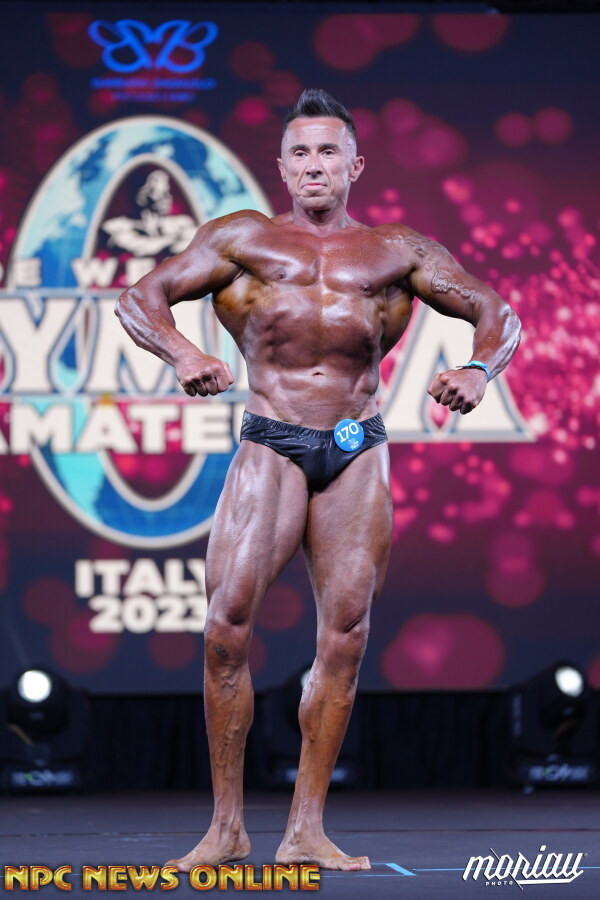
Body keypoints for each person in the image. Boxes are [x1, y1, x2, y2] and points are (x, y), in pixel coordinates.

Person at [115, 88, 521, 871]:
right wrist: (184, 352)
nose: (313, 165)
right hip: (271, 440)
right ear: (281, 166)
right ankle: (227, 828)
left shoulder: (398, 250)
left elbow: (497, 313)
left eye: (328, 151)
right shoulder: (242, 238)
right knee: (225, 629)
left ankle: (305, 828)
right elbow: (141, 297)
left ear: (354, 165)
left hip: (356, 449)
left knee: (346, 636)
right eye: (300, 152)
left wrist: (478, 369)